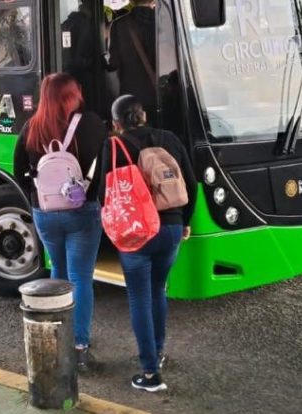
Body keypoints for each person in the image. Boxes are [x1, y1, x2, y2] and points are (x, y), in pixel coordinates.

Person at [98, 95, 196, 393]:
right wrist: (185, 221)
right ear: (143, 116)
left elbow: (105, 194)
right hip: (171, 228)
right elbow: (190, 183)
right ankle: (158, 351)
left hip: (136, 232)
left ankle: (150, 372)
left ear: (116, 123)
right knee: (157, 290)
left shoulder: (114, 146)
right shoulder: (170, 139)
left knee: (139, 296)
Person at [13, 73, 107, 372]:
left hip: (45, 213)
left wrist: (38, 200)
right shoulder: (91, 123)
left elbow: (19, 172)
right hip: (82, 211)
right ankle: (78, 346)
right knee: (80, 278)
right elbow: (104, 167)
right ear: (70, 95)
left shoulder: (31, 127)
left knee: (59, 274)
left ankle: (57, 339)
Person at [107, 0, 157, 120]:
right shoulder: (165, 21)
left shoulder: (119, 25)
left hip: (131, 96)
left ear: (130, 0)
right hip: (161, 93)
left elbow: (114, 63)